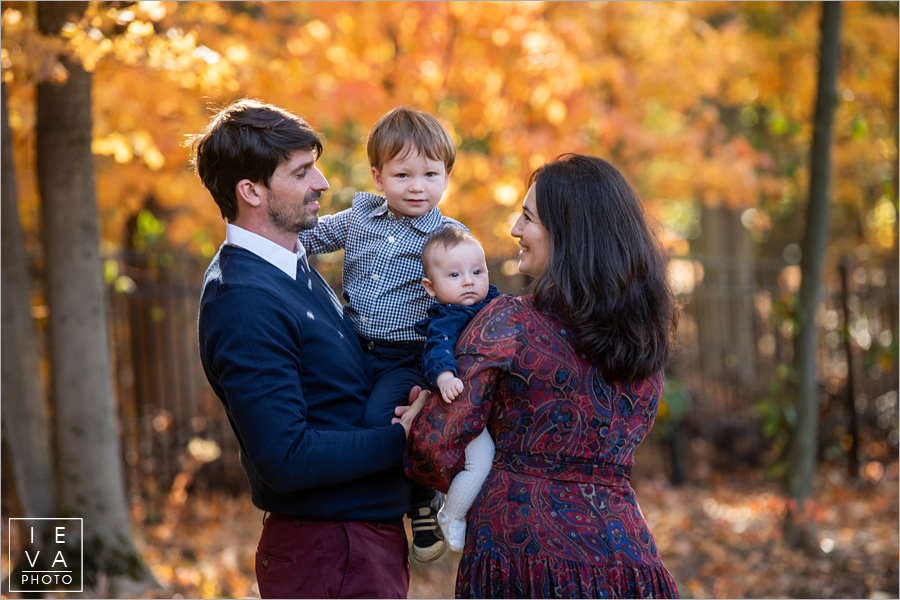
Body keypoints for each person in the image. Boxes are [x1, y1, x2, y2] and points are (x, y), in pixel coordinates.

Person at [403, 154, 680, 598]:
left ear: (568, 233)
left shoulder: (508, 322)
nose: (515, 229)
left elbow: (436, 449)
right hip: (629, 561)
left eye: (528, 217)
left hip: (522, 558)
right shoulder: (644, 337)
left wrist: (418, 417)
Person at [191, 98, 426, 599]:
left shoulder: (291, 265)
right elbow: (286, 456)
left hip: (356, 546)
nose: (321, 182)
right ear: (250, 190)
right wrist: (399, 439)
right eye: (301, 172)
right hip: (329, 553)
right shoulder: (243, 300)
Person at [298, 106, 464, 561]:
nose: (417, 186)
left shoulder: (447, 236)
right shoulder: (360, 218)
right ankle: (350, 512)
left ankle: (420, 501)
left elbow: (470, 291)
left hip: (405, 353)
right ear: (378, 176)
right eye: (403, 174)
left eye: (430, 174)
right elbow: (309, 239)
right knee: (337, 417)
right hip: (354, 346)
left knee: (381, 423)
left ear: (446, 177)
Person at [414, 226, 502, 551]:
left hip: (489, 403)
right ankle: (452, 513)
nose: (468, 281)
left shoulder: (495, 304)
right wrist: (445, 377)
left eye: (477, 271)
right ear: (430, 287)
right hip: (461, 405)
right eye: (454, 275)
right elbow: (437, 350)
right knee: (480, 462)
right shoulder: (446, 319)